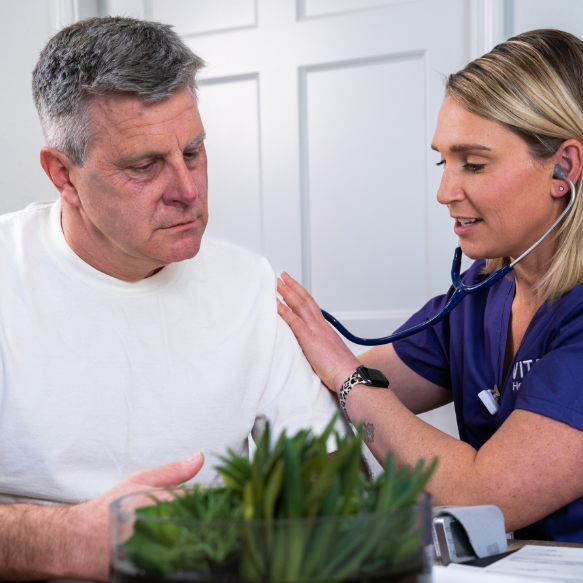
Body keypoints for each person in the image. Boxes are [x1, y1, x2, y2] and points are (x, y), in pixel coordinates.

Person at [0, 17, 341, 581]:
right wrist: (72, 539)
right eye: (144, 166)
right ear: (63, 174)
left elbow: (325, 475)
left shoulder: (247, 285)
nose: (187, 190)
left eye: (194, 150)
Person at [278, 28, 583, 543]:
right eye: (444, 161)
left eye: (475, 164)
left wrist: (346, 374)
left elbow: (484, 494)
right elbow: (323, 388)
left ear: (563, 167)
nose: (445, 192)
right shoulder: (477, 297)